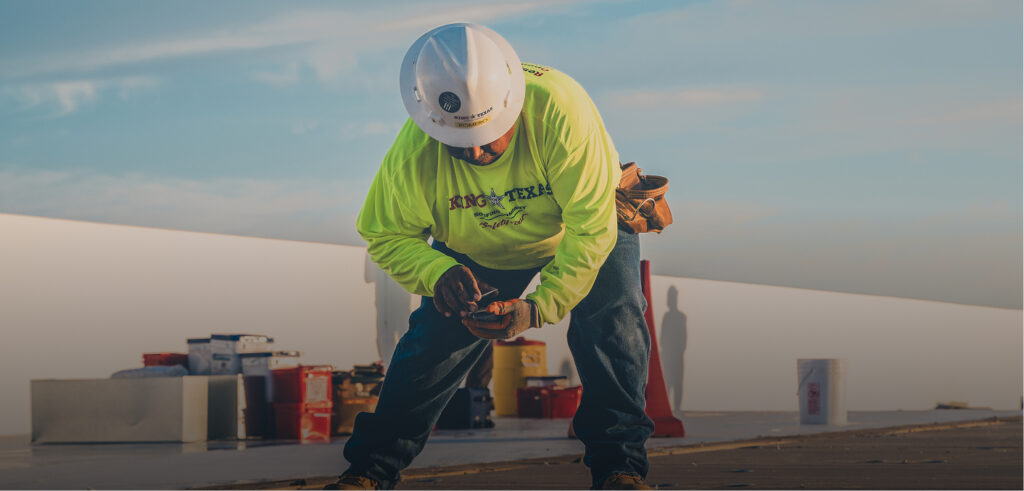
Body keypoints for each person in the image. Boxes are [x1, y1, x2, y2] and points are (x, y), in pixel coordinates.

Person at [330, 23, 654, 490]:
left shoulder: (561, 110)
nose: (477, 152)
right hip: (475, 247)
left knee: (614, 324)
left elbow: (590, 228)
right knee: (432, 347)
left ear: (512, 104)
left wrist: (540, 307)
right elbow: (383, 234)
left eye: (488, 135)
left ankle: (620, 469)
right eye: (460, 143)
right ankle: (367, 473)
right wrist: (437, 271)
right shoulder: (413, 157)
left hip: (578, 227)